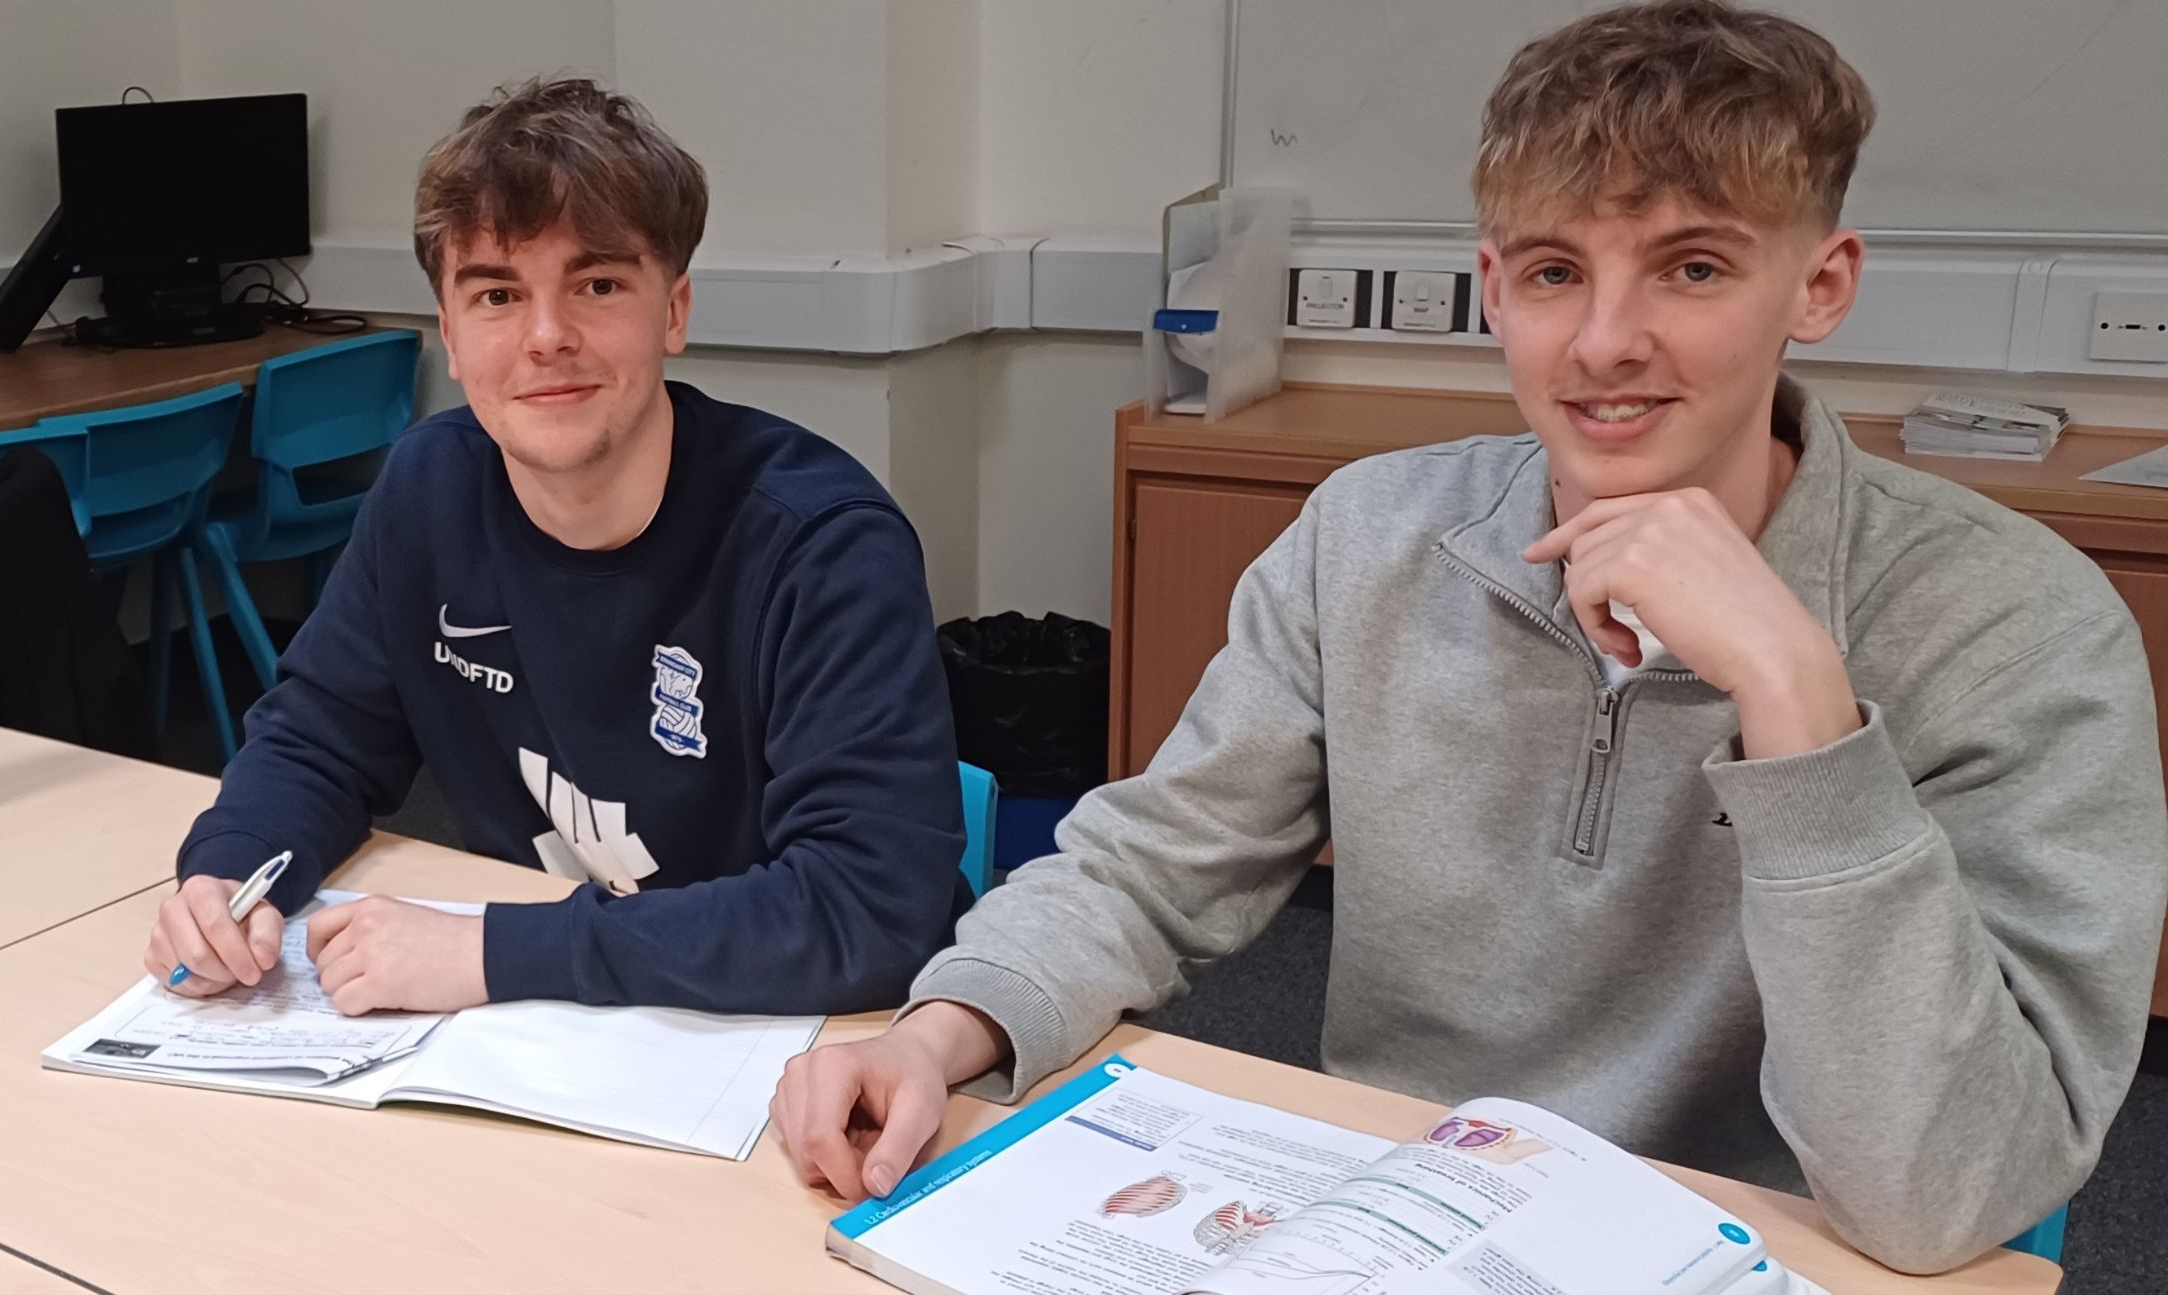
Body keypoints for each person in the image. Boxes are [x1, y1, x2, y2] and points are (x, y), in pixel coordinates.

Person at [771, 0, 2166, 1273]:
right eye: (1557, 272)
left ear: (1821, 284)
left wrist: (1798, 696)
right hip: (1395, 1222)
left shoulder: (2013, 621)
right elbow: (1152, 863)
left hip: (1761, 1243)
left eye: (1690, 267)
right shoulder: (1365, 533)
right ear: (1493, 287)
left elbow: (1941, 1192)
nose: (1605, 340)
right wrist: (943, 1027)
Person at [143, 78, 964, 1019]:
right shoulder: (428, 490)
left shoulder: (821, 546)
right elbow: (317, 740)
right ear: (449, 334)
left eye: (598, 284)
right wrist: (227, 872)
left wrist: (492, 952)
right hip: (567, 1028)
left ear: (674, 311)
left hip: (810, 1040)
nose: (545, 337)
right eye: (496, 293)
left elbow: (867, 911)